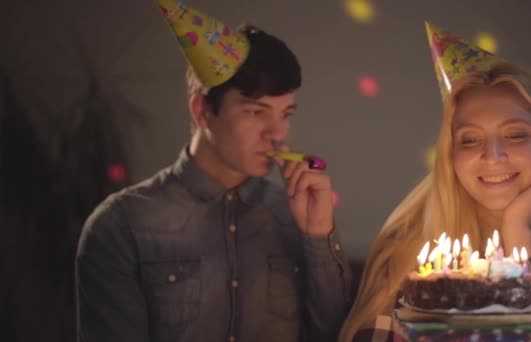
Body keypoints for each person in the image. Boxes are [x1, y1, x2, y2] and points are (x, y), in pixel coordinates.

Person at [76, 1, 352, 341]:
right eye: (256, 112)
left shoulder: (294, 215)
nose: (278, 133)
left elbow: (338, 334)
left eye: (286, 114)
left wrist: (319, 235)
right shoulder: (122, 225)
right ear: (203, 112)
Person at [340, 22, 531, 341]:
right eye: (469, 140)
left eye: (515, 135)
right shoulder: (404, 255)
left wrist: (518, 231)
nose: (492, 155)